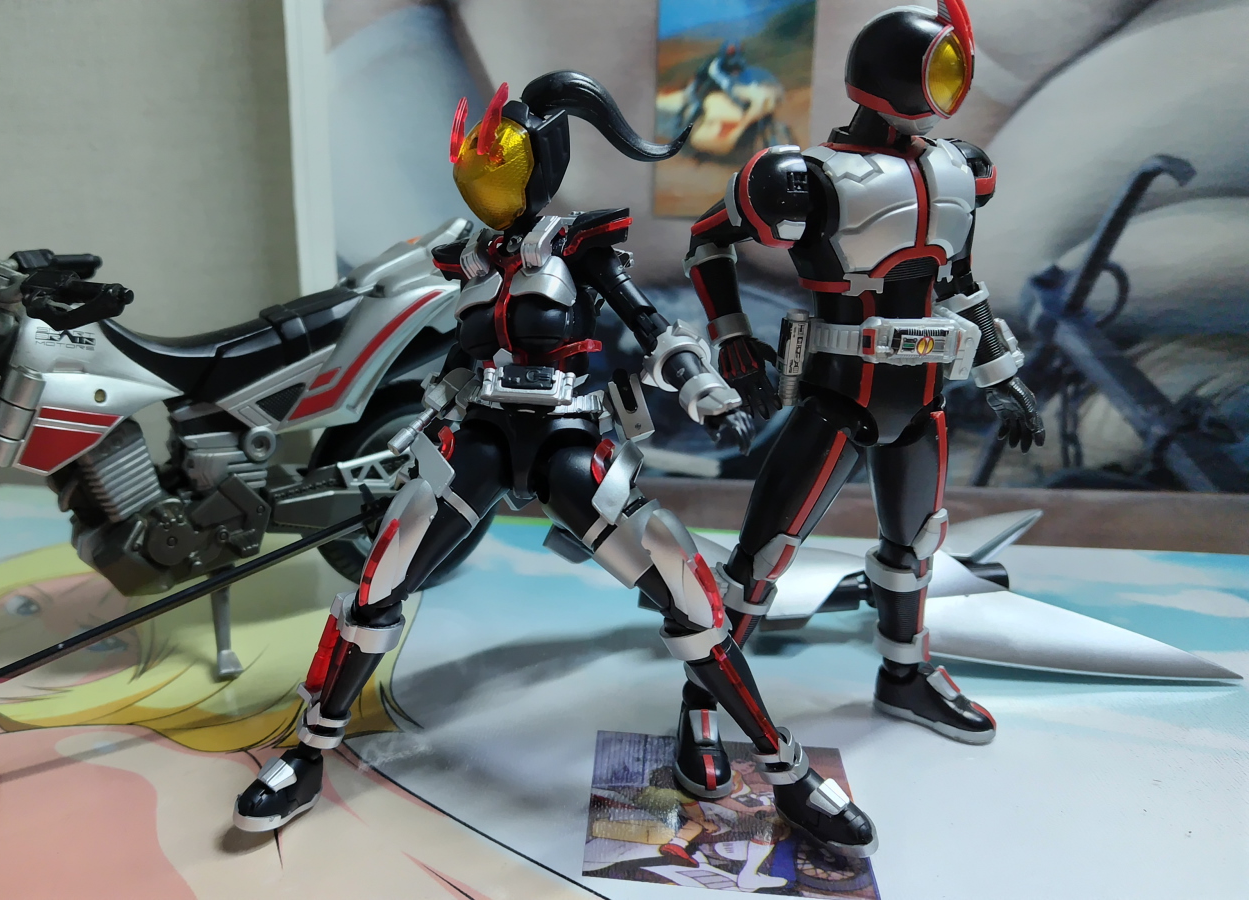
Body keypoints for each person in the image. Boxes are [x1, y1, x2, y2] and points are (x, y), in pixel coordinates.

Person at [231, 70, 878, 859]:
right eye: (474, 174)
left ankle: (786, 772)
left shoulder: (576, 246)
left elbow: (652, 327)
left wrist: (704, 389)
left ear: (538, 166)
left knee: (686, 586)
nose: (484, 190)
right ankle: (307, 753)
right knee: (378, 581)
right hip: (479, 438)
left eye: (498, 170)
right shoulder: (470, 259)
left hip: (565, 438)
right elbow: (444, 354)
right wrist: (412, 420)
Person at [673, 0, 1045, 799]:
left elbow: (960, 284)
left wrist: (1001, 373)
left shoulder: (960, 171)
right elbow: (707, 239)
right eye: (940, 68)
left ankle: (905, 676)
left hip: (924, 401)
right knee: (759, 561)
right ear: (893, 77)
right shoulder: (803, 178)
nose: (950, 87)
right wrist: (731, 335)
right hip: (837, 397)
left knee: (915, 549)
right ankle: (702, 704)